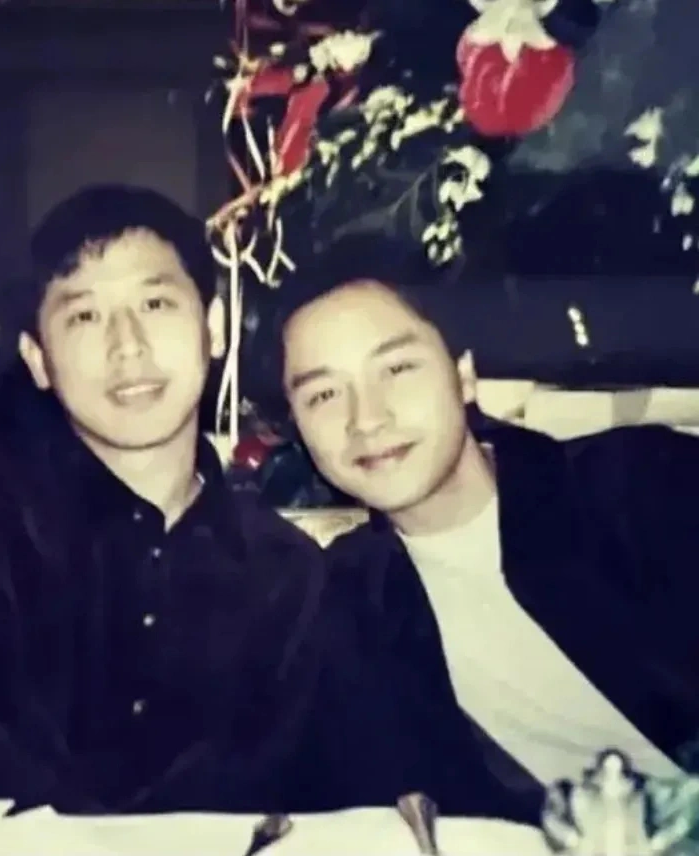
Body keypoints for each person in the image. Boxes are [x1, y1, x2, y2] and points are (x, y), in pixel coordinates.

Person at [0, 185, 327, 816]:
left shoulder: (285, 574)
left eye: (155, 303)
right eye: (84, 317)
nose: (128, 345)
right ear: (38, 359)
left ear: (213, 328)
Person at [271, 232, 699, 820]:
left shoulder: (640, 486)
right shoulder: (348, 599)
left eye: (397, 368)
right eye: (323, 395)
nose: (366, 419)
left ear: (464, 373)